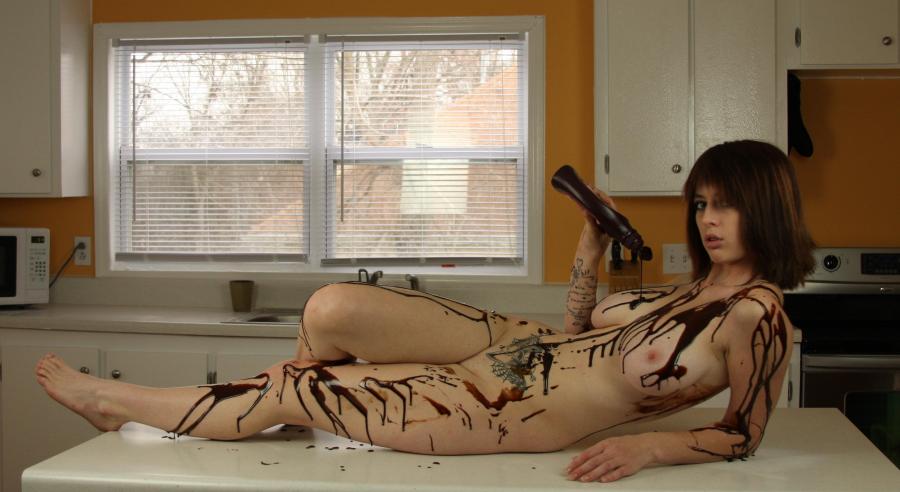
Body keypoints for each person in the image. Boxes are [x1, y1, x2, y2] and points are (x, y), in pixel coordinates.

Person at [36, 139, 815, 483]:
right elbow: (580, 331)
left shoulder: (759, 316)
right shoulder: (688, 291)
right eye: (702, 204)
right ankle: (301, 414)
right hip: (517, 348)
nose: (709, 221)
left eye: (727, 204)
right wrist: (589, 243)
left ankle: (117, 402)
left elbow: (741, 433)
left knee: (291, 386)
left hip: (508, 404)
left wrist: (648, 450)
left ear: (768, 210)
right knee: (330, 310)